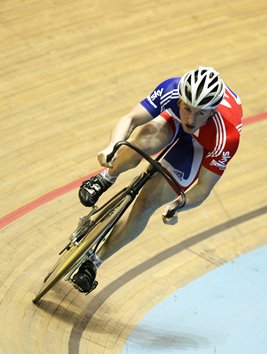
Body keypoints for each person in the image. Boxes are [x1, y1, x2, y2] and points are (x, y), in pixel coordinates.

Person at [72, 66, 243, 293]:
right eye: (187, 108)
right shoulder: (171, 89)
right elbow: (131, 119)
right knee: (141, 144)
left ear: (212, 112)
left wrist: (177, 206)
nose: (191, 119)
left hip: (200, 146)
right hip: (171, 122)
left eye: (200, 113)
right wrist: (112, 147)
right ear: (180, 99)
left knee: (146, 204)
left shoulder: (226, 137)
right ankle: (106, 178)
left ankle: (94, 262)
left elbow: (203, 187)